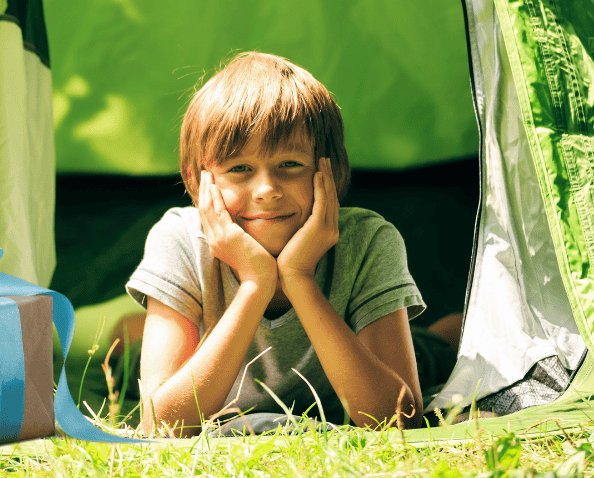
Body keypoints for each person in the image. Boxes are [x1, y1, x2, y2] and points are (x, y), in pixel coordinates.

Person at [127, 52, 425, 436]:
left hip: (385, 350)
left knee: (434, 351)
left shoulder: (368, 241)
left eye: (289, 165)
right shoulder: (178, 239)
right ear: (198, 180)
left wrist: (299, 278)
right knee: (128, 339)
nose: (267, 190)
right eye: (239, 169)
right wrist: (255, 283)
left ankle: (444, 332)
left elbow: (398, 419)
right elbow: (161, 426)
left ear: (328, 169)